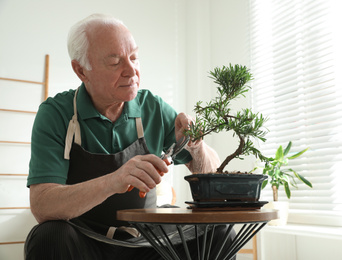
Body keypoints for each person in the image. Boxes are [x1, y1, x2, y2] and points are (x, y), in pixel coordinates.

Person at [24, 14, 236, 260]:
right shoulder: (57, 113)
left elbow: (212, 176)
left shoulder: (152, 107)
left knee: (219, 232)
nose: (131, 70)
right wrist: (114, 181)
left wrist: (196, 145)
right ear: (81, 70)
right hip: (85, 241)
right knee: (49, 235)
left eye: (134, 57)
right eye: (114, 62)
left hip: (147, 241)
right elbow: (42, 205)